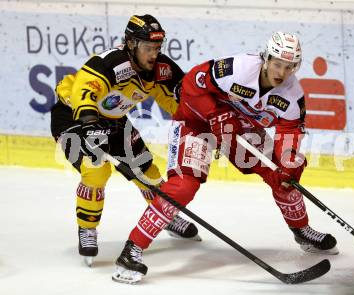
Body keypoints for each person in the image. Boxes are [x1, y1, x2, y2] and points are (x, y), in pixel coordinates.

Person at [112, 31, 339, 284]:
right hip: (196, 123)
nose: (281, 73)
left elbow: (290, 130)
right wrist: (213, 113)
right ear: (265, 58)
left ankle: (301, 231)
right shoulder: (238, 68)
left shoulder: (292, 94)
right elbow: (190, 85)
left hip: (238, 130)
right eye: (277, 64)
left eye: (289, 67)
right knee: (183, 186)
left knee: (284, 176)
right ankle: (132, 250)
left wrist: (288, 162)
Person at [50, 14, 201, 267]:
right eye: (147, 48)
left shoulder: (160, 68)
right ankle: (87, 228)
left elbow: (179, 100)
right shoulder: (112, 62)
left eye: (156, 48)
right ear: (131, 44)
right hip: (75, 118)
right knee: (96, 169)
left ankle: (164, 215)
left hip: (113, 119)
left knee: (145, 169)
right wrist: (88, 123)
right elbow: (85, 89)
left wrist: (198, 120)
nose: (153, 54)